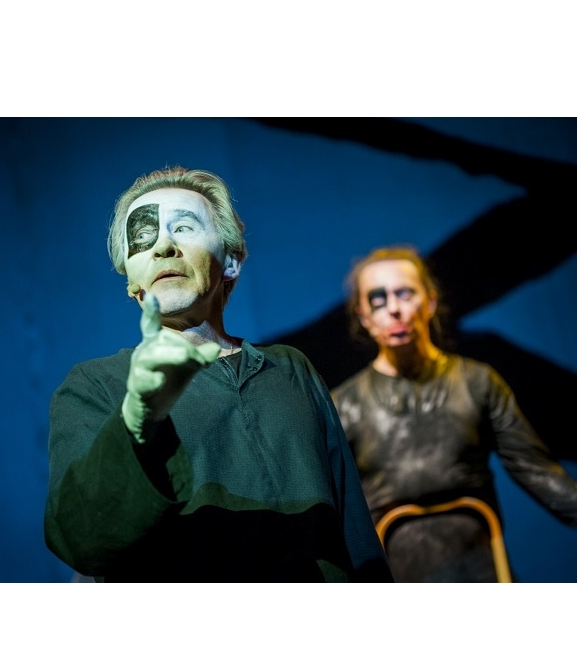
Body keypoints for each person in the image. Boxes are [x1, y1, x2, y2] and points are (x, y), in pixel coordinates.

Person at [44, 166, 392, 582]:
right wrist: (138, 420)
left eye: (184, 227)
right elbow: (81, 539)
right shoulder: (95, 386)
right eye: (144, 236)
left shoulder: (290, 369)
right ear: (131, 282)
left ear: (231, 261)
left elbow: (354, 529)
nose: (163, 247)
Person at [330, 244, 577, 582]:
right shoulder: (344, 405)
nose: (394, 309)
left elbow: (538, 472)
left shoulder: (476, 382)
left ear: (430, 301)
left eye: (405, 293)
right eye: (378, 299)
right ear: (363, 316)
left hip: (482, 570)